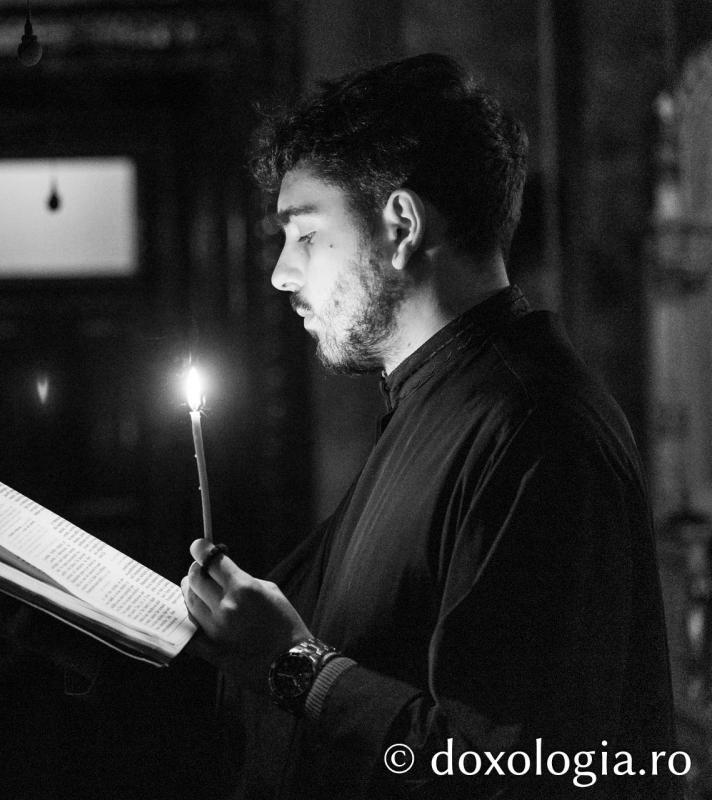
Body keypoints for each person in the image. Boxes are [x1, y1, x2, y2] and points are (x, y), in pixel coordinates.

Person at [177, 53, 676, 799]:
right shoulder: (433, 401)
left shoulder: (534, 430)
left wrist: (295, 667)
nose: (281, 274)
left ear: (401, 225)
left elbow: (517, 771)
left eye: (304, 235)